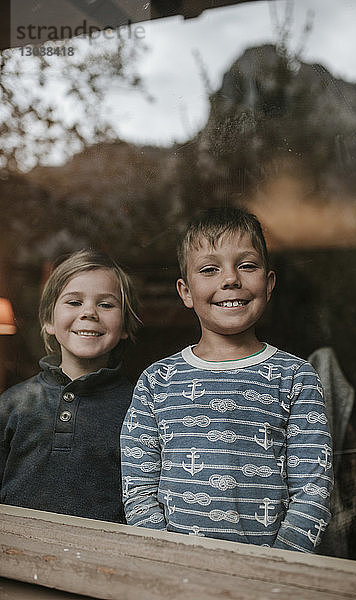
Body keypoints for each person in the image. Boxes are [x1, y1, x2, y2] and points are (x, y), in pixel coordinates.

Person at [121, 206, 333, 552]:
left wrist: (276, 566)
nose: (231, 279)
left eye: (247, 265)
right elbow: (138, 489)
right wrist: (165, 556)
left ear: (269, 283)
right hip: (175, 569)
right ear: (185, 292)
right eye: (209, 269)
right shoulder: (157, 381)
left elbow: (314, 491)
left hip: (268, 576)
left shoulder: (295, 377)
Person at [0, 249, 141, 523]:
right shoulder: (13, 403)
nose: (89, 312)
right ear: (49, 321)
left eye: (106, 304)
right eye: (74, 302)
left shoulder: (138, 407)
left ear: (125, 325)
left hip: (103, 557)